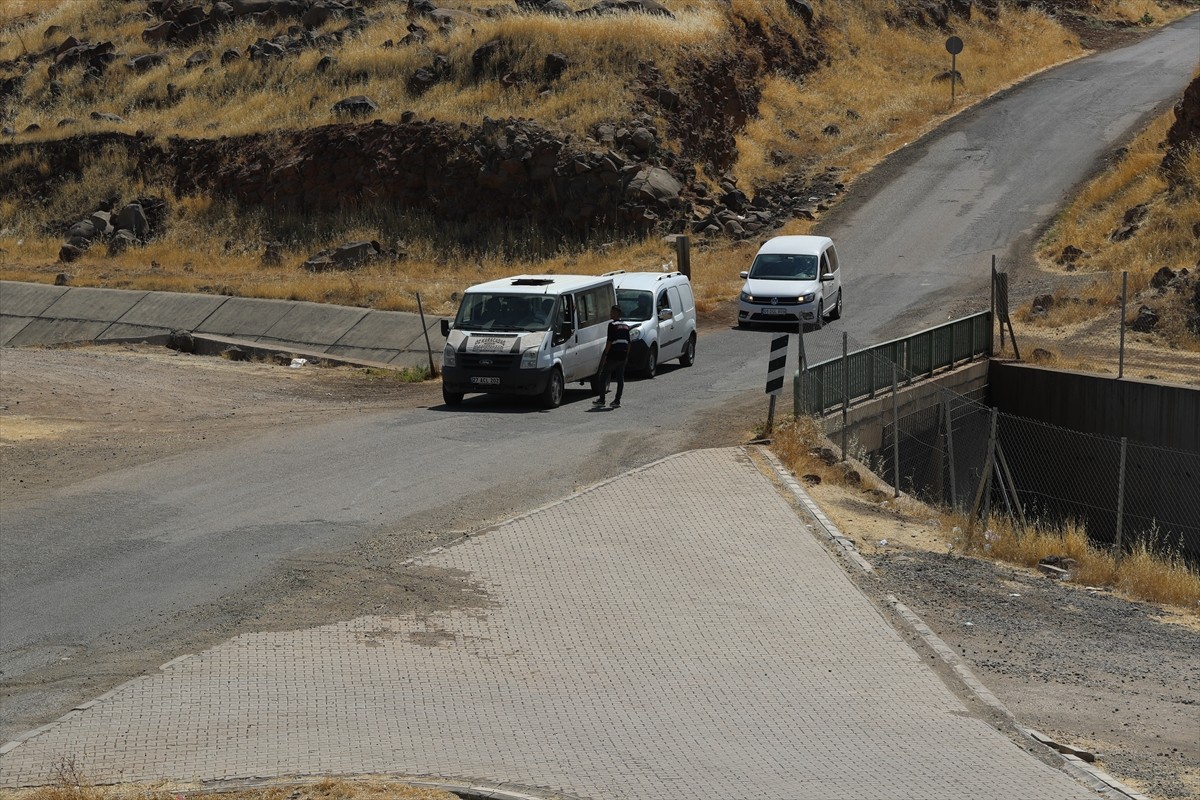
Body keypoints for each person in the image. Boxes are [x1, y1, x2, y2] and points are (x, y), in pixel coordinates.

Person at [594, 304, 631, 408]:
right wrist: (626, 356)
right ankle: (617, 401)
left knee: (603, 376)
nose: (610, 313)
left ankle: (602, 400)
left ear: (617, 314)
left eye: (612, 312)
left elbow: (609, 342)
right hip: (623, 355)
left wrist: (605, 354)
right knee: (620, 378)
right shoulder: (626, 326)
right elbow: (629, 343)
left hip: (613, 355)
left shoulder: (612, 325)